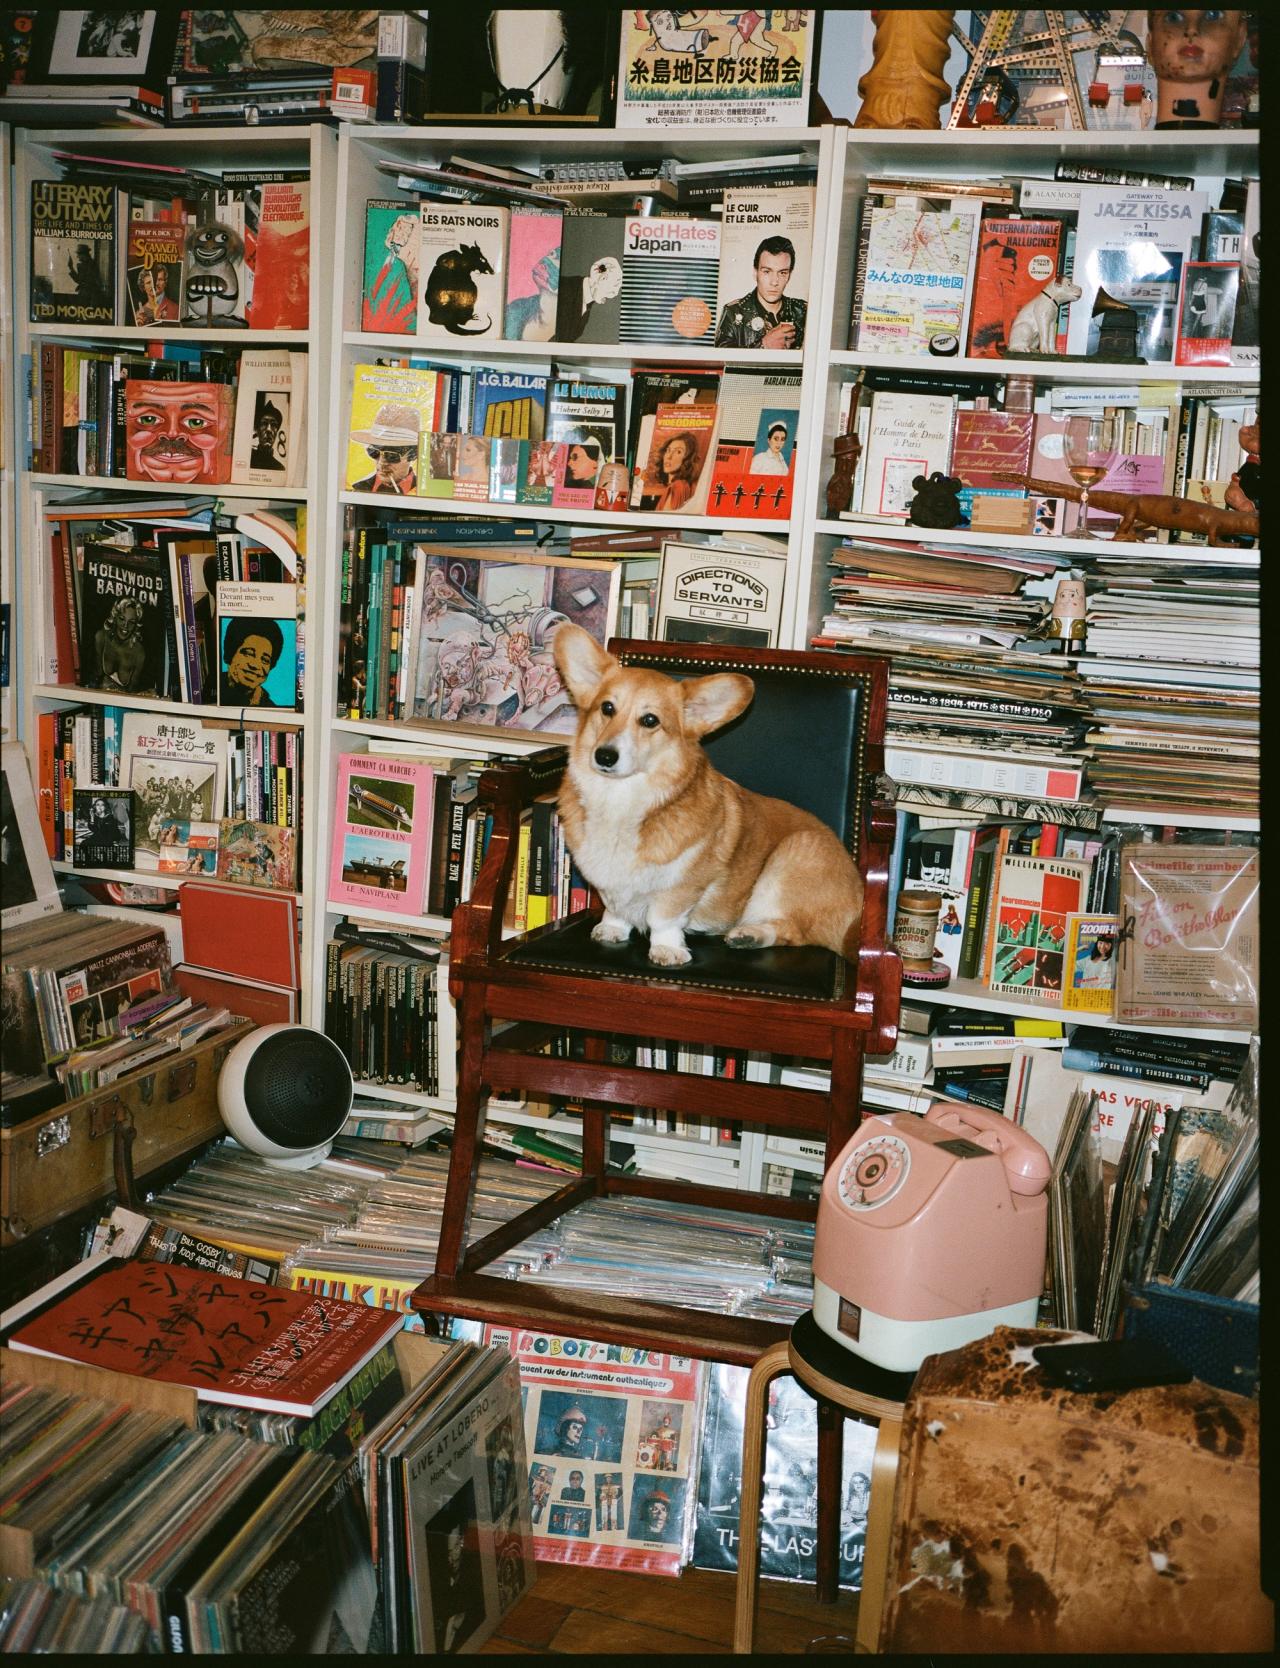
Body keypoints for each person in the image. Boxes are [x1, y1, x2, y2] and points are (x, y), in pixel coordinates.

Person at [715, 234, 807, 349]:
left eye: (782, 273)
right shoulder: (733, 312)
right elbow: (722, 357)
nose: (774, 282)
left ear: (789, 275)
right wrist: (763, 345)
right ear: (755, 273)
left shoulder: (803, 311)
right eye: (767, 272)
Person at [350, 402, 421, 493]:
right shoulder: (357, 489)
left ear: (413, 454)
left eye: (391, 455)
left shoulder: (425, 492)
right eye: (374, 452)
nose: (381, 462)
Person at [221, 615, 284, 707]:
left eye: (265, 660)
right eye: (248, 653)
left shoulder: (271, 709)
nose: (255, 665)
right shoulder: (212, 687)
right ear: (230, 654)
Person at [557, 255, 623, 342]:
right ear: (598, 275)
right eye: (615, 285)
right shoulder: (563, 288)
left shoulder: (587, 304)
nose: (615, 293)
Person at [647, 431, 699, 511]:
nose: (669, 456)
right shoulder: (686, 485)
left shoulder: (677, 487)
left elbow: (666, 518)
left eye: (678, 452)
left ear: (688, 458)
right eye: (668, 450)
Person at [249, 398, 286, 471]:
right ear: (257, 430)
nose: (269, 429)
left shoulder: (279, 468)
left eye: (273, 425)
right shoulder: (248, 459)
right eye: (264, 423)